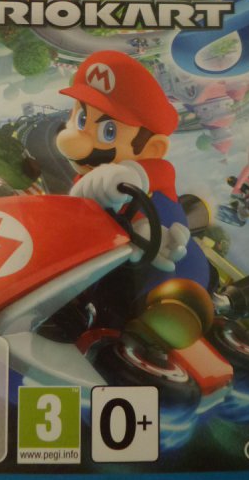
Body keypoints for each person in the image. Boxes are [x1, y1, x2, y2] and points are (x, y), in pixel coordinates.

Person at [56, 50, 214, 352]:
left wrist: (147, 232)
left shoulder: (149, 182)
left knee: (155, 312)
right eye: (81, 118)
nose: (75, 137)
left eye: (108, 131)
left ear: (151, 149)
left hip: (152, 286)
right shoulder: (89, 177)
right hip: (86, 277)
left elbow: (165, 227)